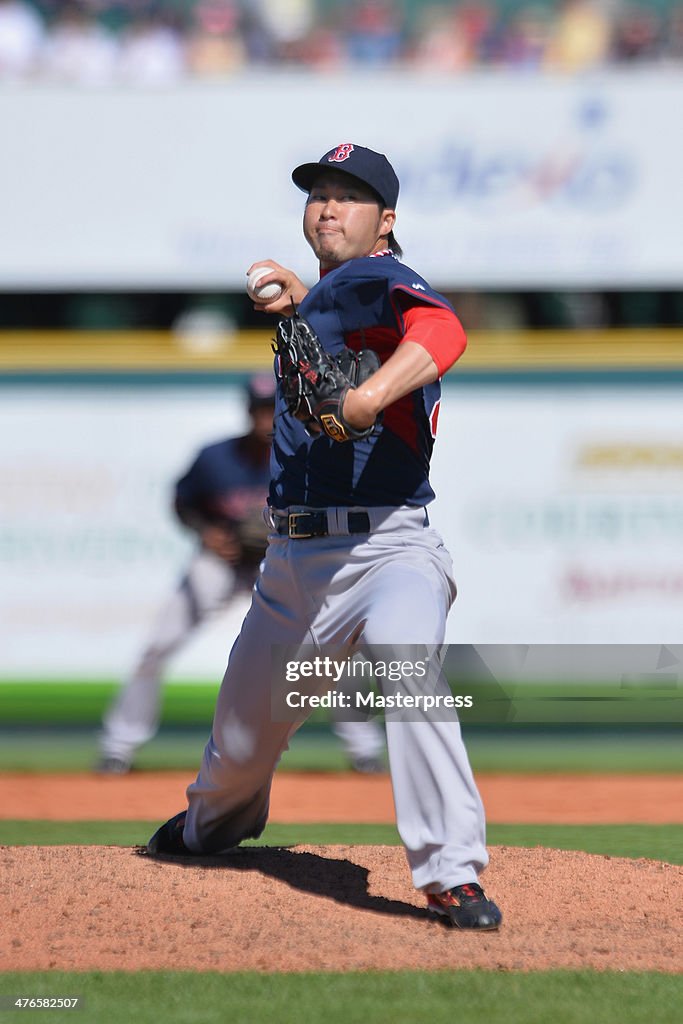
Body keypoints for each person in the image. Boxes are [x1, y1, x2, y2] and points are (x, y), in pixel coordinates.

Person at [147, 143, 502, 931]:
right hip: (292, 565)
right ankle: (215, 825)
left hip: (387, 551)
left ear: (386, 223)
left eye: (349, 195)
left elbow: (442, 328)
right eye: (318, 194)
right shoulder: (340, 293)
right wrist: (304, 302)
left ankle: (451, 872)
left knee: (409, 676)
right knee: (236, 753)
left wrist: (371, 396)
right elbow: (352, 324)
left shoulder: (381, 277)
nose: (328, 206)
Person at [98, 373, 384, 775]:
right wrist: (207, 531)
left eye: (272, 408)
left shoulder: (305, 453)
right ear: (247, 411)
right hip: (224, 562)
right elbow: (183, 502)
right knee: (158, 645)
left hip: (282, 561)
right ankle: (118, 746)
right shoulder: (216, 457)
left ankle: (364, 749)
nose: (265, 418)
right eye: (258, 409)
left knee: (334, 647)